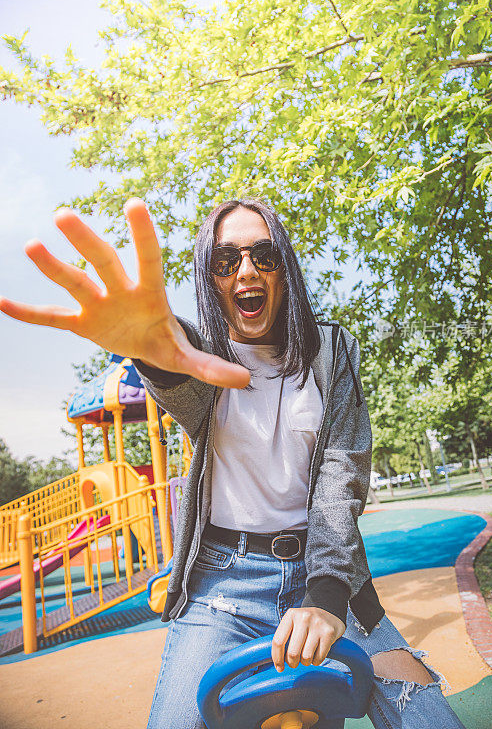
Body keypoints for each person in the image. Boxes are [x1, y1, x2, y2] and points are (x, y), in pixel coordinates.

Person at [0, 198, 466, 729]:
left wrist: (328, 594)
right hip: (224, 586)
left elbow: (341, 475)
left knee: (428, 716)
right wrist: (152, 354)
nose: (246, 270)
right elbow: (181, 384)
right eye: (226, 261)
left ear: (285, 269)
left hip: (331, 577)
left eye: (263, 254)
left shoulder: (331, 350)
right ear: (211, 278)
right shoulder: (199, 357)